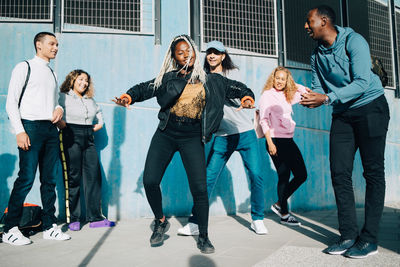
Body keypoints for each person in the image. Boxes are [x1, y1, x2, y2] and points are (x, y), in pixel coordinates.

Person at [113, 34, 255, 254]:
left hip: (192, 136)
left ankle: (204, 236)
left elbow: (236, 87)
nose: (186, 55)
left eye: (189, 51)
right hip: (166, 133)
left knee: (199, 188)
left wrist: (247, 97)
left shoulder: (211, 79)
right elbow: (146, 88)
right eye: (180, 52)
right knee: (150, 180)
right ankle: (161, 221)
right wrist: (128, 96)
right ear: (174, 57)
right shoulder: (168, 78)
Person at [301, 5, 390, 258]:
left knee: (373, 172)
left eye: (310, 22)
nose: (306, 27)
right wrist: (307, 97)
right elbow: (318, 87)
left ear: (324, 21)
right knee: (339, 172)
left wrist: (327, 98)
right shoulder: (316, 54)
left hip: (371, 108)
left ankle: (369, 240)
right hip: (343, 114)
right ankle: (348, 235)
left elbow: (362, 82)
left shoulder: (354, 41)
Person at [177, 40, 266, 236]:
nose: (212, 56)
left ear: (223, 56)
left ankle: (257, 218)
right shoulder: (201, 78)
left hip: (244, 133)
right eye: (209, 52)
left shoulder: (233, 74)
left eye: (216, 53)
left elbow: (244, 92)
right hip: (222, 136)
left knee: (256, 175)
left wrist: (247, 99)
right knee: (207, 180)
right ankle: (195, 221)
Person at [4, 32, 71, 245]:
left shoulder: (51, 73)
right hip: (30, 128)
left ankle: (49, 226)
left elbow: (57, 100)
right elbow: (11, 102)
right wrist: (20, 131)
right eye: (51, 44)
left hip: (51, 130)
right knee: (26, 179)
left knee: (49, 180)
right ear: (38, 45)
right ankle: (10, 229)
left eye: (57, 44)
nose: (56, 48)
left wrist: (59, 109)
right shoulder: (24, 67)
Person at [56, 70, 116, 231]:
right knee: (73, 177)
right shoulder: (63, 96)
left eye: (86, 80)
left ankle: (95, 217)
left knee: (93, 176)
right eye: (80, 79)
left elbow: (98, 112)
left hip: (88, 136)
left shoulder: (90, 100)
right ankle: (73, 219)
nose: (84, 83)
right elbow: (54, 109)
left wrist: (100, 123)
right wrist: (60, 123)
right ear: (72, 80)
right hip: (70, 134)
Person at [258, 66, 308, 227]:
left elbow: (305, 92)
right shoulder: (267, 95)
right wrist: (270, 142)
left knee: (301, 174)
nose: (279, 81)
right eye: (277, 78)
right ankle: (284, 214)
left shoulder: (287, 95)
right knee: (284, 176)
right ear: (273, 79)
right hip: (275, 140)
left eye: (283, 79)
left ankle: (279, 204)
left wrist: (293, 84)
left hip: (288, 140)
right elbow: (263, 119)